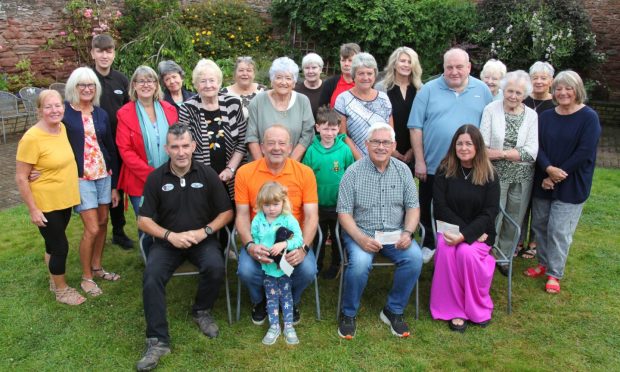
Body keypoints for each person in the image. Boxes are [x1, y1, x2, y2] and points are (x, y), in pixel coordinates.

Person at [136, 124, 233, 371]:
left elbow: (226, 212)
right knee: (152, 277)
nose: (181, 152)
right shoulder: (156, 178)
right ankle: (158, 340)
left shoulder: (208, 174)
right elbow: (143, 220)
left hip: (202, 240)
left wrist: (204, 232)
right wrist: (169, 236)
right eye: (175, 147)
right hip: (168, 243)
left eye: (185, 146)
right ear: (167, 148)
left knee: (215, 266)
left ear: (193, 146)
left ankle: (202, 310)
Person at [337, 122, 422, 339]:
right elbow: (344, 213)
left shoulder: (403, 170)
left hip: (395, 233)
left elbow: (413, 207)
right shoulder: (352, 172)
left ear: (394, 145)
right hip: (361, 231)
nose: (381, 147)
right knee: (360, 264)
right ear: (366, 144)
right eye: (376, 141)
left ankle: (393, 310)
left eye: (386, 142)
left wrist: (408, 232)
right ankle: (348, 313)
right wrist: (359, 238)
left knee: (414, 258)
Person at [407, 47, 493, 263]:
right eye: (449, 67)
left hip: (470, 166)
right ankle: (429, 243)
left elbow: (490, 126)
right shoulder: (427, 90)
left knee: (462, 206)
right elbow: (416, 127)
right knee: (428, 204)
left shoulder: (482, 90)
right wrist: (419, 160)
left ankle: (462, 240)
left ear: (469, 67)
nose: (454, 71)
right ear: (443, 68)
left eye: (459, 67)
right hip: (434, 164)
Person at [524, 71, 601, 295]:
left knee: (558, 230)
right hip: (543, 180)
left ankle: (555, 273)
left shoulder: (589, 117)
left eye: (569, 88)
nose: (564, 92)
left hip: (572, 182)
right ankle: (543, 263)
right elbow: (536, 145)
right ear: (554, 91)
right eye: (559, 88)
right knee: (540, 225)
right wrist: (548, 169)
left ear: (578, 90)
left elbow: (585, 151)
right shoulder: (546, 117)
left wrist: (558, 174)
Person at [235, 125, 318, 326]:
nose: (276, 148)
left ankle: (290, 299)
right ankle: (260, 300)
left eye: (282, 143)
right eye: (270, 143)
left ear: (290, 148)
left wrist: (303, 248)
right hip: (260, 241)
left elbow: (312, 216)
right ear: (262, 147)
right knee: (246, 270)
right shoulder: (245, 172)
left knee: (307, 270)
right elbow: (242, 215)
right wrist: (250, 246)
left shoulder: (304, 173)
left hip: (291, 241)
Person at [15, 90, 85, 305]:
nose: (54, 110)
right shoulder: (32, 138)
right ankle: (62, 290)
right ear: (39, 111)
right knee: (60, 247)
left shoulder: (61, 128)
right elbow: (20, 177)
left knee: (51, 243)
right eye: (48, 106)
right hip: (45, 202)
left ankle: (53, 280)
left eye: (57, 105)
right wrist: (34, 209)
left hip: (63, 199)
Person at [430, 124, 500, 332]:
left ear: (478, 146)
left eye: (469, 143)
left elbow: (490, 212)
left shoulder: (490, 174)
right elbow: (440, 207)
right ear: (454, 146)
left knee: (467, 254)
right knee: (447, 249)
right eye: (459, 143)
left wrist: (468, 235)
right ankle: (453, 309)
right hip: (450, 228)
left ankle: (475, 306)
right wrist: (462, 233)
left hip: (481, 232)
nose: (463, 147)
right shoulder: (444, 170)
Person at [64, 67, 120, 297]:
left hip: (103, 175)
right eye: (82, 85)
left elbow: (110, 147)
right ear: (73, 88)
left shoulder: (100, 113)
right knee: (92, 227)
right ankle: (86, 277)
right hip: (81, 177)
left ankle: (97, 267)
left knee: (104, 220)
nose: (87, 89)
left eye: (91, 85)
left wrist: (115, 182)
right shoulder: (65, 114)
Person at [480, 70, 538, 276]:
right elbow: (483, 148)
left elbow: (531, 152)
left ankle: (504, 257)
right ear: (503, 90)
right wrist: (513, 154)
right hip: (495, 175)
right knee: (493, 215)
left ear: (525, 95)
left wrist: (502, 153)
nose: (513, 96)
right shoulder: (490, 110)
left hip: (522, 177)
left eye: (519, 93)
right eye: (510, 91)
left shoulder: (532, 115)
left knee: (515, 217)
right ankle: (487, 253)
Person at [116, 66, 178, 256]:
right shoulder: (125, 113)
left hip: (172, 175)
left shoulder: (170, 109)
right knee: (146, 222)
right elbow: (125, 150)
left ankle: (171, 255)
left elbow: (177, 142)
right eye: (141, 81)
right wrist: (153, 175)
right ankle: (150, 259)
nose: (146, 85)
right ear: (134, 85)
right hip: (139, 180)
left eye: (150, 80)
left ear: (156, 85)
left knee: (171, 217)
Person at [178, 59, 246, 201]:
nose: (208, 85)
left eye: (212, 80)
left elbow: (242, 141)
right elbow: (184, 144)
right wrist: (204, 175)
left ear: (219, 82)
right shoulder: (187, 108)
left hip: (234, 175)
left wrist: (230, 170)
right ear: (196, 85)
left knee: (236, 216)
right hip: (201, 176)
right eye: (203, 81)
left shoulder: (233, 104)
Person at [91, 34, 134, 249]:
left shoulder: (121, 79)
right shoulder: (87, 78)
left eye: (108, 51)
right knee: (102, 187)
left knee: (118, 185)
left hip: (119, 142)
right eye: (100, 51)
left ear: (114, 54)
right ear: (93, 53)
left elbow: (129, 109)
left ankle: (118, 231)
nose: (104, 55)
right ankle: (96, 229)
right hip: (95, 145)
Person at [302, 105, 355, 279]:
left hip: (339, 205)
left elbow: (350, 174)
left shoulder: (344, 150)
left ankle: (336, 264)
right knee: (318, 236)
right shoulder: (311, 151)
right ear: (317, 128)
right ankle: (316, 264)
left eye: (333, 129)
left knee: (338, 235)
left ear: (338, 129)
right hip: (317, 205)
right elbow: (306, 176)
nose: (329, 133)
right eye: (325, 128)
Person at [251, 182, 304, 345]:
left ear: (283, 202)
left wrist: (284, 244)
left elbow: (298, 239)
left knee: (286, 297)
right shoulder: (258, 219)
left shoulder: (288, 219)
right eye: (267, 205)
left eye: (275, 204)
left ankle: (289, 326)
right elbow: (255, 238)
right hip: (268, 268)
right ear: (261, 204)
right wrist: (259, 249)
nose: (271, 209)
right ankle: (274, 326)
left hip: (284, 267)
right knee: (272, 298)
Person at [519, 61, 556, 259]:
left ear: (551, 81)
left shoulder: (555, 104)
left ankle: (534, 242)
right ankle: (517, 239)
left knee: (539, 203)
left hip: (543, 161)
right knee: (520, 202)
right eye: (535, 78)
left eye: (543, 78)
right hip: (522, 160)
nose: (539, 82)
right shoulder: (523, 100)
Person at [246, 57, 314, 161]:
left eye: (288, 78)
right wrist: (262, 166)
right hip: (261, 164)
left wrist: (289, 165)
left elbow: (307, 135)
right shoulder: (258, 101)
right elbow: (251, 136)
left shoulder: (303, 101)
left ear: (294, 82)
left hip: (294, 164)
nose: (283, 82)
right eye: (278, 77)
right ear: (272, 80)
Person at [334, 52, 393, 160]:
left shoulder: (384, 98)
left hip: (382, 158)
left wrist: (383, 156)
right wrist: (361, 160)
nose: (366, 77)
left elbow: (390, 132)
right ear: (354, 76)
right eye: (361, 73)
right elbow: (342, 135)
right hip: (353, 160)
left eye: (369, 73)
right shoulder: (343, 99)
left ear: (375, 75)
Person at [375, 46, 423, 169]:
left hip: (412, 150)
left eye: (409, 61)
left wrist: (413, 150)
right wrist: (391, 149)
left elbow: (424, 121)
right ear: (394, 64)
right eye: (402, 61)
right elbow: (377, 121)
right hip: (386, 148)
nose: (406, 65)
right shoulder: (381, 88)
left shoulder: (421, 89)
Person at [319, 43, 361, 108]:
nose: (346, 64)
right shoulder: (330, 83)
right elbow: (322, 110)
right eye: (343, 60)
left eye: (350, 60)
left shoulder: (364, 83)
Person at [294, 52, 324, 120]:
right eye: (307, 68)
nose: (310, 71)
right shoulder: (295, 91)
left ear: (321, 69)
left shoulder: (328, 89)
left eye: (314, 67)